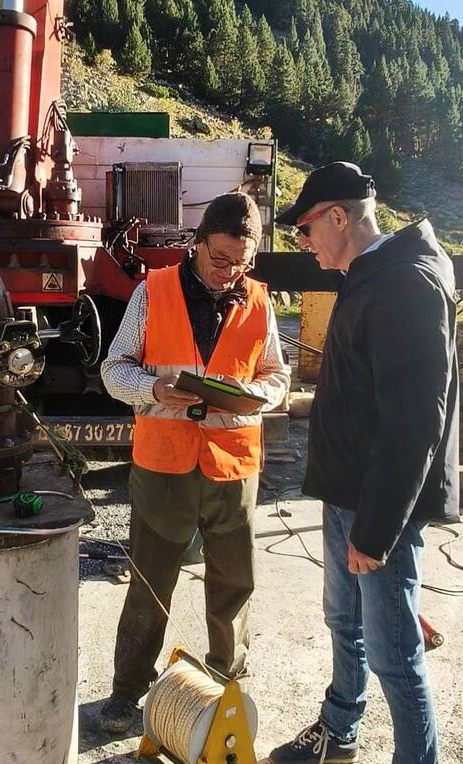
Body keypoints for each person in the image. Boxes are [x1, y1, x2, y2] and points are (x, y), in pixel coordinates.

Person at [267, 162, 459, 764]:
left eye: (309, 228)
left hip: (379, 510)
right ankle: (340, 730)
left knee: (396, 658)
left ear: (340, 218)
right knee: (342, 623)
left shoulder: (406, 283)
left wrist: (376, 532)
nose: (306, 243)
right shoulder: (373, 275)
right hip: (348, 494)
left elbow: (415, 424)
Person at [96, 191, 291, 734]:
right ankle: (127, 689)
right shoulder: (151, 292)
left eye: (241, 262)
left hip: (233, 466)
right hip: (164, 466)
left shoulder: (259, 300)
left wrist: (255, 394)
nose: (230, 272)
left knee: (234, 582)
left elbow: (277, 374)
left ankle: (225, 683)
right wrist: (154, 386)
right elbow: (115, 371)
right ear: (197, 244)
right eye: (220, 259)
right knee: (149, 582)